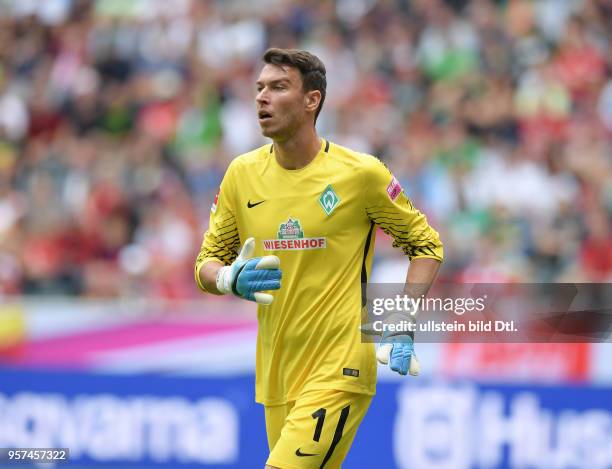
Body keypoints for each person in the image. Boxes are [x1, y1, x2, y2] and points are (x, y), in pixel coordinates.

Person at [195, 48, 443, 469]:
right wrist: (226, 279)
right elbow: (207, 261)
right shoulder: (241, 174)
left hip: (339, 369)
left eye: (277, 87)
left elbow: (426, 246)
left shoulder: (360, 175)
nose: (262, 98)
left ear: (312, 100)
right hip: (277, 374)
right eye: (259, 88)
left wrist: (402, 320)